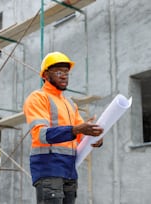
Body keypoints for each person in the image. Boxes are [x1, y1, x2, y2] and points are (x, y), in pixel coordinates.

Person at [23, 51, 104, 204]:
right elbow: (41, 134)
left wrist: (95, 137)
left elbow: (81, 135)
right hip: (49, 169)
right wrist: (77, 129)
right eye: (59, 71)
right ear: (45, 75)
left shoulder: (70, 104)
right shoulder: (38, 98)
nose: (64, 76)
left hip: (69, 171)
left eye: (66, 72)